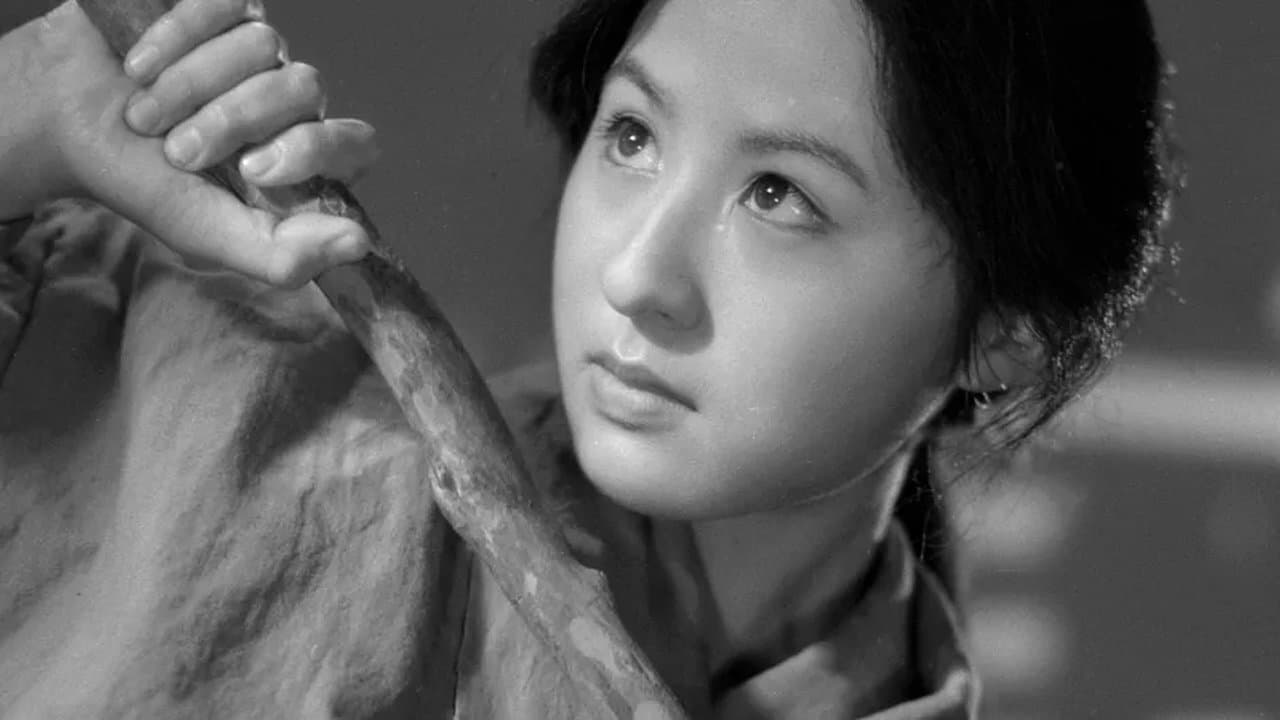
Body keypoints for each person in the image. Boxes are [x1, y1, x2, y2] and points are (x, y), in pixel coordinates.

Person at [0, 0, 1176, 717]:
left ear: (1004, 331)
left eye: (778, 195)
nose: (635, 274)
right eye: (631, 135)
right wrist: (20, 120)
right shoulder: (204, 395)